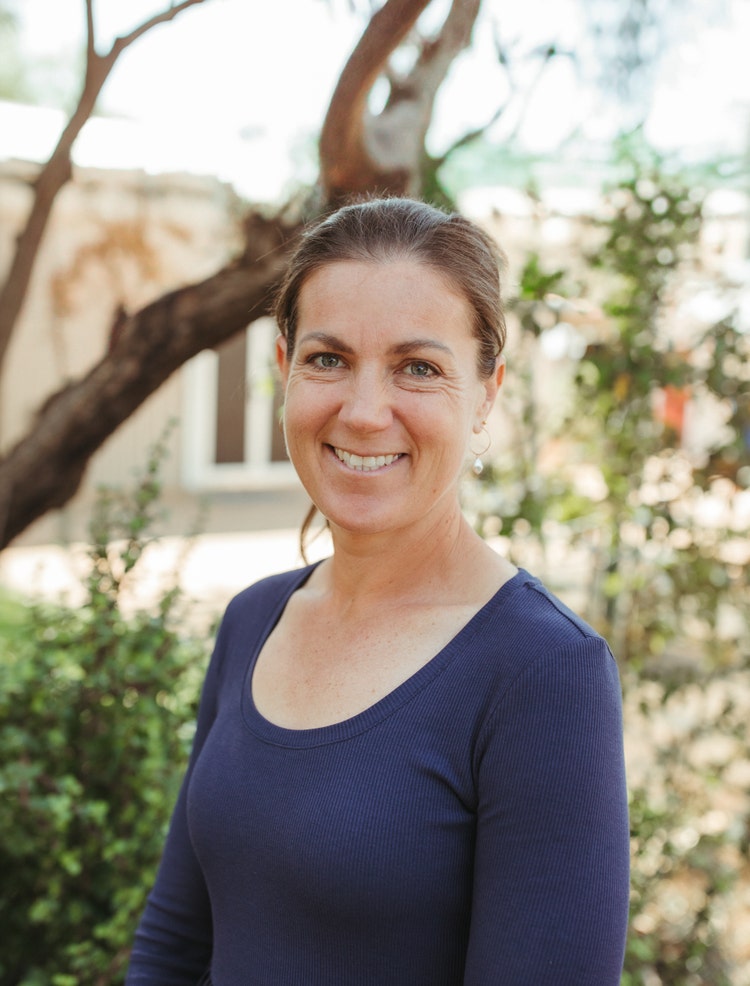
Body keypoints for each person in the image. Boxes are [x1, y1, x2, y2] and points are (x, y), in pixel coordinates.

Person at [125, 197, 630, 985]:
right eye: (328, 359)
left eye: (418, 368)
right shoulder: (254, 620)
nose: (363, 413)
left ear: (487, 393)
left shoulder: (544, 673)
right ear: (284, 367)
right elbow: (175, 941)